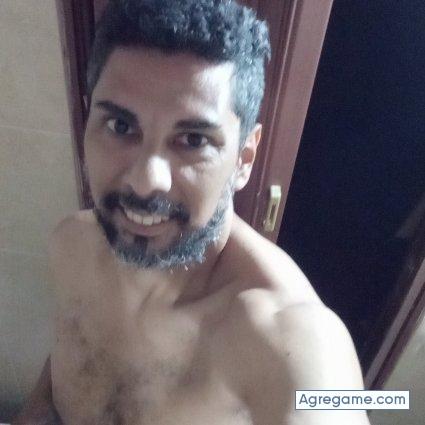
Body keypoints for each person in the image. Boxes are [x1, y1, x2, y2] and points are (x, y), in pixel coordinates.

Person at [14, 0, 370, 424]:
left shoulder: (292, 342)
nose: (145, 181)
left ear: (244, 158)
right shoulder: (71, 246)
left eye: (194, 140)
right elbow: (66, 361)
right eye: (121, 127)